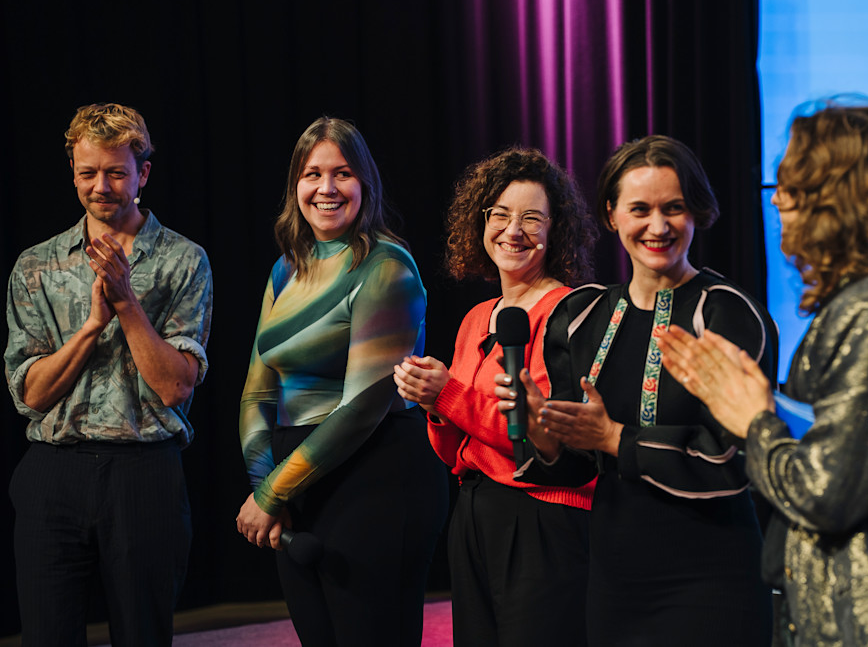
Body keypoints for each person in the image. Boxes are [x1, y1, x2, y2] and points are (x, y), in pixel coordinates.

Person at [658, 102, 868, 645]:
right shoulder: (867, 306)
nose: (779, 199)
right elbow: (847, 442)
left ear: (838, 199)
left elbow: (826, 494)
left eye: (794, 183)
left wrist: (755, 420)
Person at [500, 135, 776, 645]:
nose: (658, 226)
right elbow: (577, 466)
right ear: (611, 215)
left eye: (675, 208)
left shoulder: (727, 312)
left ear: (697, 213)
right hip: (615, 574)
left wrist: (614, 438)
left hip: (714, 573)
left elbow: (732, 458)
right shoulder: (581, 316)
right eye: (640, 209)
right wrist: (545, 433)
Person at [4, 103, 213, 646]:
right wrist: (92, 326)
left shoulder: (184, 261)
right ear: (73, 172)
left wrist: (125, 303)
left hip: (143, 474)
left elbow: (175, 387)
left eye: (116, 172)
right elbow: (30, 395)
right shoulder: (36, 265)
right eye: (87, 172)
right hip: (54, 473)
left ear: (143, 173)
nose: (101, 186)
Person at [236, 117, 448, 646]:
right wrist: (267, 485)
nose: (326, 189)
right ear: (295, 187)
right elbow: (258, 391)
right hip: (298, 482)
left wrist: (272, 489)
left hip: (375, 476)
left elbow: (361, 409)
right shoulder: (286, 269)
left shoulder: (387, 266)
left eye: (343, 173)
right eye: (312, 174)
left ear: (366, 185)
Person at [392, 147, 598, 646]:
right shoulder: (476, 318)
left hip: (544, 517)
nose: (513, 230)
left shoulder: (570, 311)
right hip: (475, 511)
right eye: (500, 215)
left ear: (556, 231)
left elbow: (543, 442)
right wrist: (432, 402)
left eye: (531, 218)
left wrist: (450, 395)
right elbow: (452, 453)